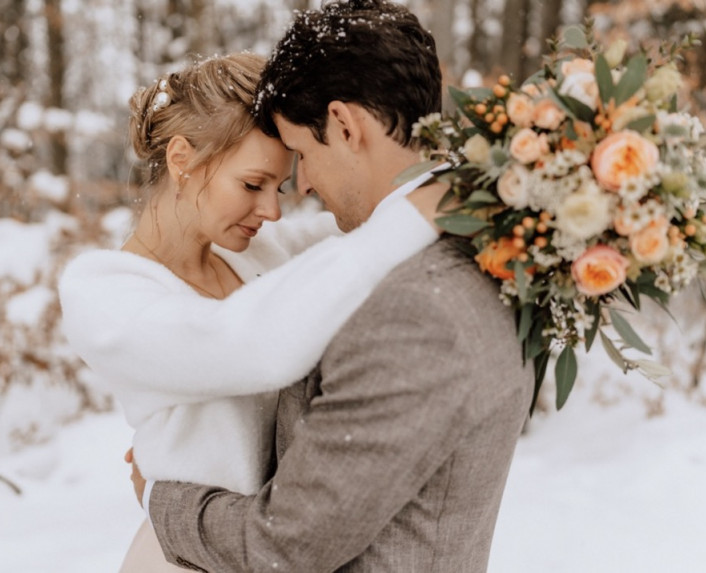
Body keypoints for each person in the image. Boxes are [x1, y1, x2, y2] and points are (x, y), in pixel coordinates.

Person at [139, 1, 534, 572]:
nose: (302, 186)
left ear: (346, 127)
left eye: (302, 154)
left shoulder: (416, 307)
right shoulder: (487, 242)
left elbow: (286, 545)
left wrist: (160, 498)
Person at [58, 52, 447, 571]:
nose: (272, 210)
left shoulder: (256, 252)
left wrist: (460, 175)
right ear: (182, 160)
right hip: (187, 559)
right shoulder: (103, 295)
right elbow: (246, 345)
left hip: (268, 551)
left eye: (280, 186)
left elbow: (364, 217)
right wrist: (424, 211)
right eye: (251, 185)